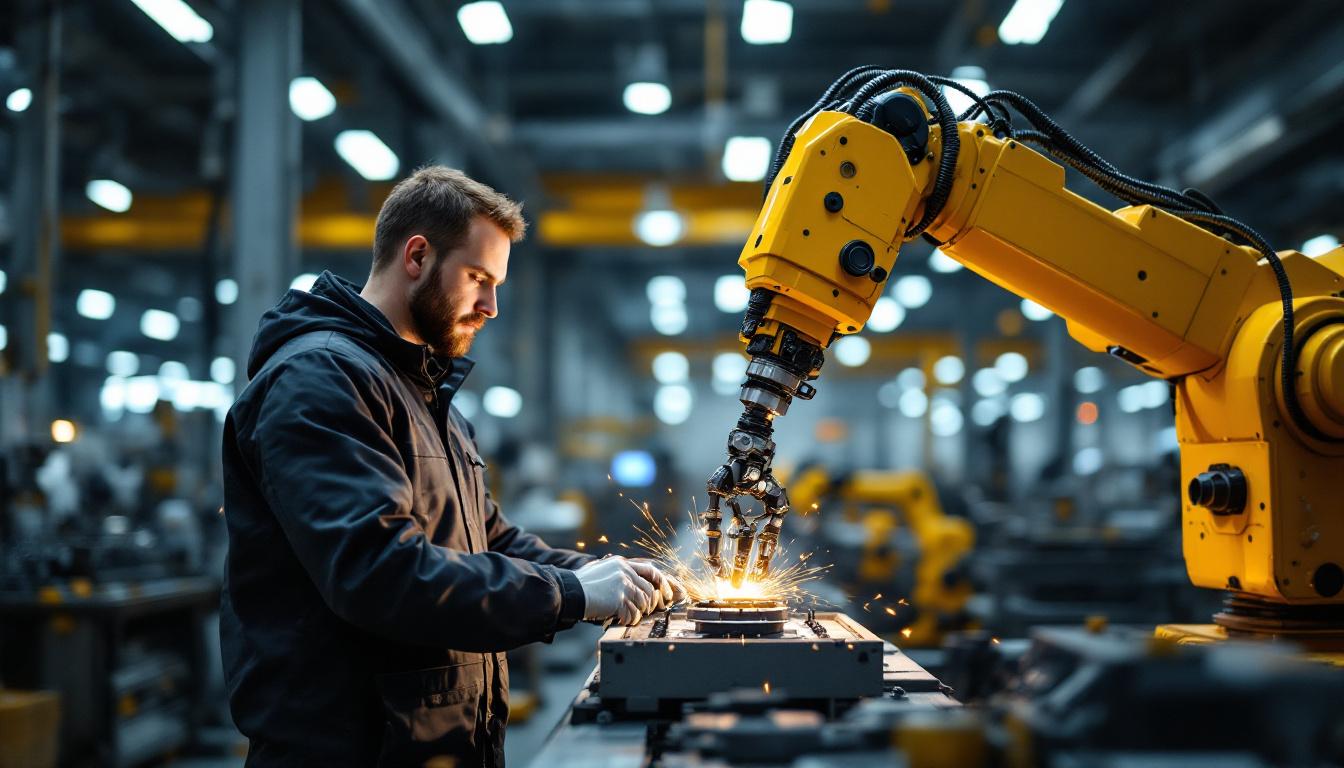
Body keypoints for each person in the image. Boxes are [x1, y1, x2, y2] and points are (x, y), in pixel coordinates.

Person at [219, 166, 683, 767]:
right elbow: (378, 572)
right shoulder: (319, 381)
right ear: (416, 256)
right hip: (352, 748)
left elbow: (488, 539)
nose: (491, 306)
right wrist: (570, 594)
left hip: (431, 742)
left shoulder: (425, 395)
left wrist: (606, 573)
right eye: (478, 278)